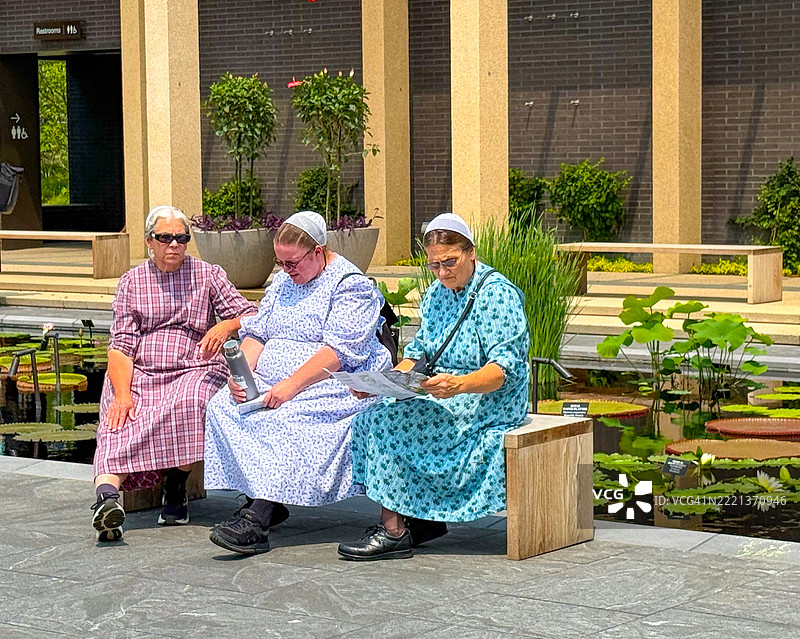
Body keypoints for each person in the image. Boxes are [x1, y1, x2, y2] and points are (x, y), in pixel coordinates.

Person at [338, 212, 530, 561]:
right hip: (444, 387)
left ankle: (393, 531)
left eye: (450, 262)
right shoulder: (437, 294)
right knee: (371, 415)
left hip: (489, 397)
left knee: (386, 424)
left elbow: (505, 371)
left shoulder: (497, 295)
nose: (443, 273)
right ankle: (421, 517)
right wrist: (383, 383)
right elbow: (419, 352)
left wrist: (460, 385)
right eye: (435, 265)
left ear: (471, 252)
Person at [204, 210, 391, 555]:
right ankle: (262, 498)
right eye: (280, 263)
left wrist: (292, 385)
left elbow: (339, 352)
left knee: (287, 419)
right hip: (274, 377)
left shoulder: (349, 285)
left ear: (317, 252)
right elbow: (258, 332)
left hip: (332, 380)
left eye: (293, 263)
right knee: (222, 405)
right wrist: (240, 374)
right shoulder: (284, 282)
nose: (286, 270)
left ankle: (257, 519)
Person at [92, 205, 256, 542]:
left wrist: (227, 324)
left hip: (193, 366)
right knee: (118, 415)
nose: (174, 245)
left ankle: (176, 484)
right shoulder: (132, 282)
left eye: (182, 238)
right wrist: (123, 393)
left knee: (195, 401)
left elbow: (251, 313)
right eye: (165, 238)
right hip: (141, 369)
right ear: (149, 241)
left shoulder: (207, 274)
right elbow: (121, 345)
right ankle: (106, 501)